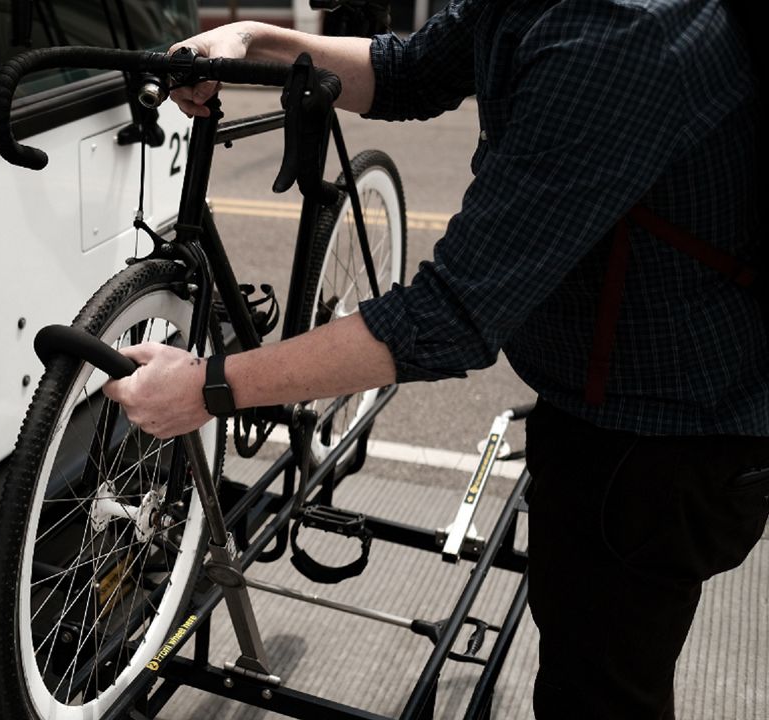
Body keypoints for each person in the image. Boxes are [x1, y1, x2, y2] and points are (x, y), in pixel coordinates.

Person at [102, 1, 768, 717]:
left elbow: (449, 318)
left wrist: (208, 386)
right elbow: (408, 72)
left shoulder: (617, 31)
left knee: (599, 690)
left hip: (661, 444)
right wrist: (256, 40)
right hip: (616, 402)